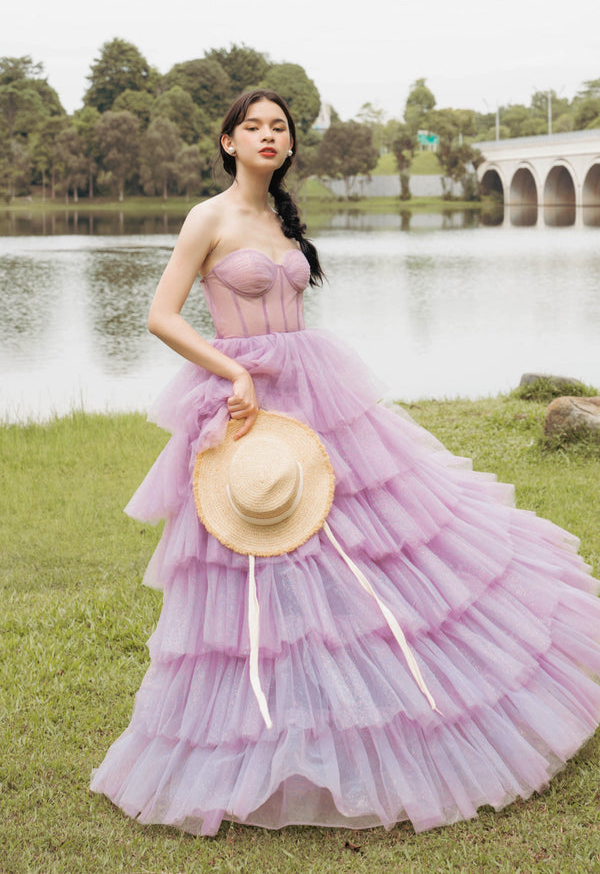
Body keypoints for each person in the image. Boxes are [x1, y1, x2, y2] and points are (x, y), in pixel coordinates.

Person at [91, 89, 600, 836]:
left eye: (280, 128)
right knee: (262, 560)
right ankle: (264, 734)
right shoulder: (210, 217)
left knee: (373, 546)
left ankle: (385, 700)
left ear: (291, 147)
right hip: (246, 399)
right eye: (253, 127)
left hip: (313, 388)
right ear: (228, 141)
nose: (268, 136)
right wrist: (232, 374)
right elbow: (160, 315)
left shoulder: (277, 220)